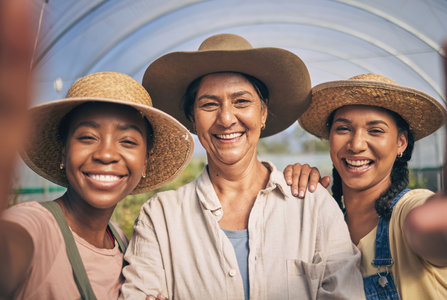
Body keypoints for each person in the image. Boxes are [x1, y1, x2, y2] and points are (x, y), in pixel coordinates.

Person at [120, 33, 365, 299]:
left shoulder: (313, 205)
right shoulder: (160, 217)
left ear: (262, 113)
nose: (226, 119)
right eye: (209, 104)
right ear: (193, 118)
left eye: (241, 102)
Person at [0, 71, 194, 299]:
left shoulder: (121, 243)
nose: (106, 154)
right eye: (87, 137)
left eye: (128, 141)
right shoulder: (36, 226)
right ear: (64, 153)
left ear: (144, 163)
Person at [284, 50, 447, 299]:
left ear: (401, 143)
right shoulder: (323, 222)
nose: (356, 144)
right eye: (343, 128)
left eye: (375, 130)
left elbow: (436, 228)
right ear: (330, 139)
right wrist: (296, 192)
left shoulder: (406, 213)